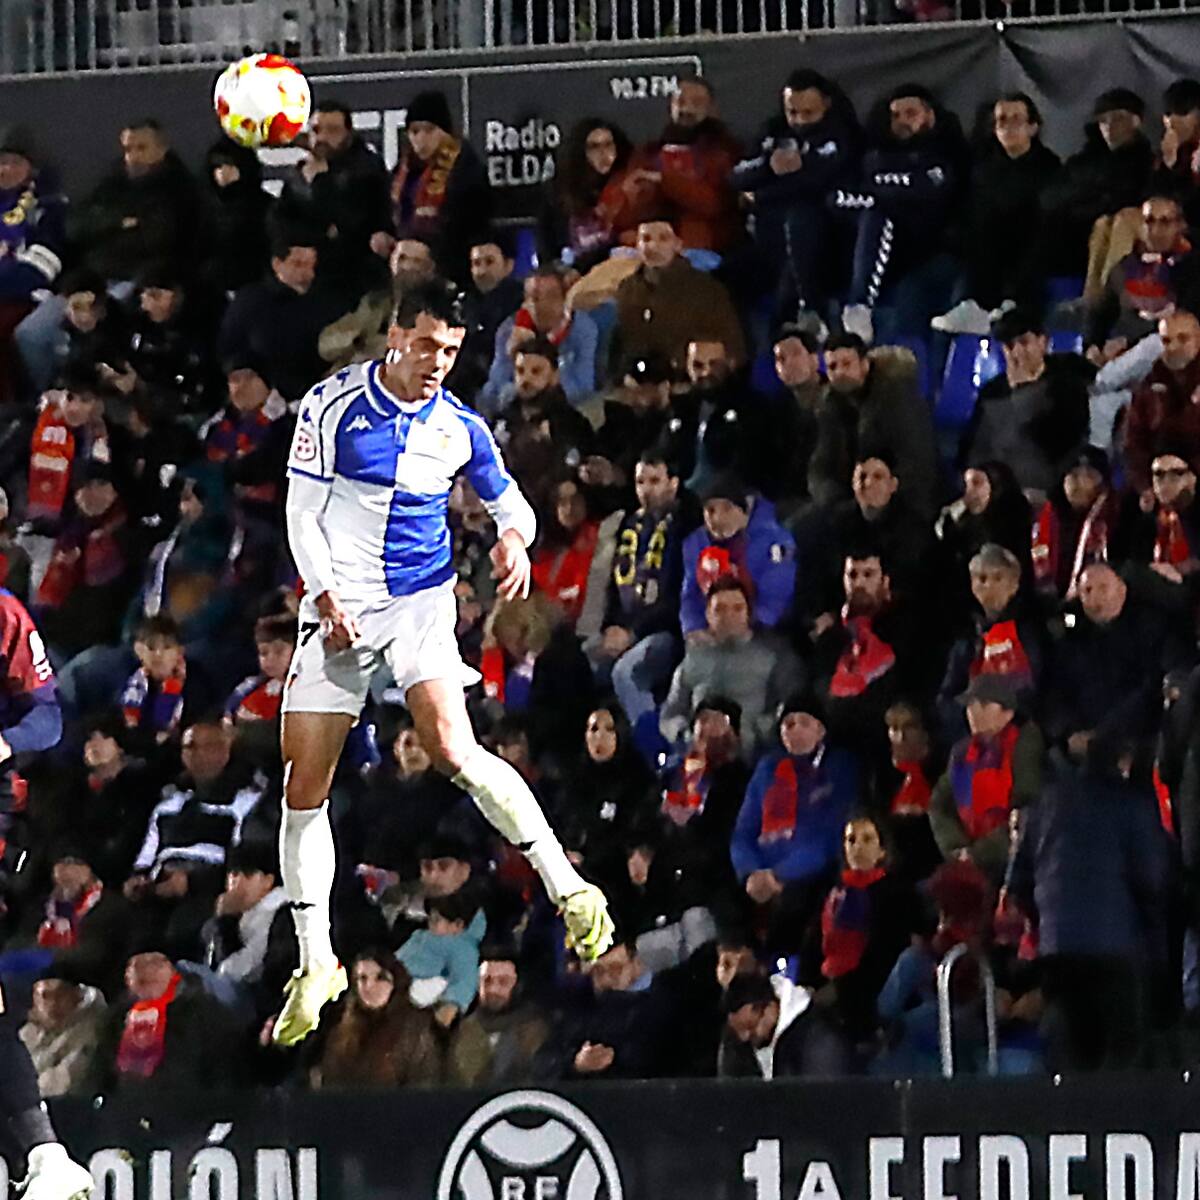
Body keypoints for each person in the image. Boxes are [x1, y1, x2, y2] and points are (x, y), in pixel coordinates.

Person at [276, 282, 613, 1046]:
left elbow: (513, 504)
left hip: (419, 605)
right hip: (339, 604)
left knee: (454, 750)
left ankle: (570, 888)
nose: (437, 362)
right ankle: (318, 960)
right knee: (305, 787)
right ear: (395, 334)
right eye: (427, 344)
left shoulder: (459, 426)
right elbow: (301, 511)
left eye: (452, 350)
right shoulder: (330, 407)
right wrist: (325, 594)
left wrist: (514, 539)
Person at [1007, 750, 1172, 1072]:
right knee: (1123, 1055)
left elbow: (1019, 882)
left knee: (1071, 1055)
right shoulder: (1128, 803)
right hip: (1116, 948)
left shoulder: (1041, 805)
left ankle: (1072, 1120)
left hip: (1058, 951)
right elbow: (1153, 880)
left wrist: (1046, 924)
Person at [837, 85, 969, 346]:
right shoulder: (872, 155)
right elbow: (836, 198)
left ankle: (862, 304)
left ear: (929, 116)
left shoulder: (950, 153)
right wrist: (888, 194)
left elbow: (928, 189)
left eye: (910, 113)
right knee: (874, 214)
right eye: (895, 115)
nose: (901, 122)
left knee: (910, 295)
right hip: (884, 252)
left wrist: (879, 192)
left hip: (935, 250)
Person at [730, 696, 860, 956]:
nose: (795, 730)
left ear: (820, 729)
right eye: (788, 724)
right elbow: (743, 832)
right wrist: (751, 872)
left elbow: (829, 838)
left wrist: (779, 875)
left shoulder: (838, 767)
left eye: (803, 723)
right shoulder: (768, 768)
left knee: (797, 906)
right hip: (761, 874)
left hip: (807, 875)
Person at [733, 70, 860, 323]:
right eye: (792, 112)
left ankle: (810, 314)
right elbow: (736, 176)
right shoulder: (773, 130)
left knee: (801, 219)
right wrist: (767, 166)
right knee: (725, 277)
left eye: (808, 113)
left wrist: (760, 194)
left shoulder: (842, 134)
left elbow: (815, 184)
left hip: (825, 244)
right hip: (768, 240)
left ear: (826, 104)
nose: (800, 121)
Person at [934, 93, 1061, 334]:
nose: (1008, 126)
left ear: (1033, 128)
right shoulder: (981, 167)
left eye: (1016, 119)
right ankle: (975, 305)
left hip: (1031, 246)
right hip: (989, 248)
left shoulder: (1049, 167)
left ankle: (1011, 302)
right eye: (1002, 120)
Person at [661, 577, 802, 758]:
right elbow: (671, 713)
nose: (729, 616)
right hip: (697, 756)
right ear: (707, 615)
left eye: (737, 609)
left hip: (751, 756)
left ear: (748, 614)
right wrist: (688, 735)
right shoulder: (693, 658)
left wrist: (751, 732)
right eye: (720, 609)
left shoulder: (773, 656)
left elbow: (789, 708)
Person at [964, 307, 1092, 500]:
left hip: (1046, 491)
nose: (1017, 352)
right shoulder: (992, 392)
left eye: (1024, 342)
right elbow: (974, 448)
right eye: (1009, 345)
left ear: (1043, 342)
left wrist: (1022, 392)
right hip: (998, 492)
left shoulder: (1067, 386)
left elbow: (1059, 446)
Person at [603, 77, 742, 254]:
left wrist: (664, 180)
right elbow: (624, 217)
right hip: (648, 249)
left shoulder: (724, 151)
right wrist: (634, 196)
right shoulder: (648, 152)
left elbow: (713, 204)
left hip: (700, 250)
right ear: (671, 105)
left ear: (712, 109)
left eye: (697, 102)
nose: (687, 109)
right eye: (680, 101)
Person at [929, 674, 1044, 883]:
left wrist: (978, 855)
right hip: (972, 867)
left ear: (1008, 713)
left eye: (982, 703)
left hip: (1015, 868)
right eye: (970, 704)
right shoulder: (963, 753)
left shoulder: (1024, 747)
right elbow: (941, 803)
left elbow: (1027, 809)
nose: (973, 711)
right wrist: (956, 848)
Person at [274, 100, 393, 298]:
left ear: (349, 133)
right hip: (308, 278)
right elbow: (280, 221)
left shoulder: (366, 168)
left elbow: (351, 226)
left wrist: (320, 182)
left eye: (332, 130)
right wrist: (321, 233)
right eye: (316, 130)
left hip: (355, 280)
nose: (322, 138)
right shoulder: (303, 171)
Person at [810, 334, 938, 517]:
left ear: (865, 364)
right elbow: (821, 464)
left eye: (847, 364)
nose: (839, 373)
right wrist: (832, 500)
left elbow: (917, 465)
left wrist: (877, 497)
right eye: (832, 367)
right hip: (850, 505)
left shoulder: (898, 399)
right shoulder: (828, 405)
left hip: (902, 508)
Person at [218, 232, 347, 403]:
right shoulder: (251, 301)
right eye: (298, 264)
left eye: (311, 264)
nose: (307, 272)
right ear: (277, 263)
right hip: (267, 401)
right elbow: (229, 349)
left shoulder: (329, 299)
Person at [614, 219, 746, 373]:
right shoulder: (627, 289)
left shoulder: (706, 289)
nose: (653, 246)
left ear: (678, 244)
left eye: (663, 238)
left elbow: (732, 346)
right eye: (646, 239)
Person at [390, 90, 492, 286]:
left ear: (444, 131)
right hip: (406, 261)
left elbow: (468, 225)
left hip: (450, 267)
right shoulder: (403, 171)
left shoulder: (465, 168)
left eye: (429, 130)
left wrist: (429, 250)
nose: (421, 139)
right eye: (414, 131)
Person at [679, 474, 796, 639]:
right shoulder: (696, 543)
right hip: (711, 634)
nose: (715, 518)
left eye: (725, 508)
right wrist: (693, 628)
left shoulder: (774, 541)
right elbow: (690, 593)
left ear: (741, 509)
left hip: (763, 635)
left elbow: (777, 594)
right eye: (708, 510)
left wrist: (753, 627)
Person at [302, 951, 441, 1089]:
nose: (369, 987)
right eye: (362, 978)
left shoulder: (416, 1026)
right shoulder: (339, 1024)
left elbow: (424, 1085)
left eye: (380, 978)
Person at [0, 126, 66, 406]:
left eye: (14, 162)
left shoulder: (48, 208)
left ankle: (13, 409)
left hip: (25, 298)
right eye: (0, 162)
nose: (5, 169)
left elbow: (40, 270)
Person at [480, 267, 598, 413]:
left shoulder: (583, 329)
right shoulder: (508, 329)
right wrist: (513, 357)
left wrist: (549, 380)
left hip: (565, 410)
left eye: (547, 297)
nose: (535, 305)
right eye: (530, 297)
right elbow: (495, 387)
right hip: (518, 411)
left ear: (562, 299)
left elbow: (584, 387)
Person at [1086, 194, 1193, 350]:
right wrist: (1093, 347)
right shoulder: (1122, 268)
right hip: (1128, 354)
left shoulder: (1192, 268)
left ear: (1179, 226)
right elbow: (1100, 314)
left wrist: (1129, 346)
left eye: (1165, 222)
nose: (1156, 230)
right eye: (1149, 221)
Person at [538, 118, 632, 270]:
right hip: (572, 275)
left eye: (608, 145)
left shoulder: (628, 186)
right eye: (594, 147)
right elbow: (546, 244)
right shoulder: (558, 190)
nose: (603, 153)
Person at [1124, 310, 1200, 496]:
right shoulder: (1147, 383)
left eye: (1183, 339)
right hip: (1158, 485)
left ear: (1198, 340)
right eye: (1166, 340)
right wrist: (1145, 487)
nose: (1173, 347)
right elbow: (1133, 442)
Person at [455, 946, 549, 1086]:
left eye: (503, 981)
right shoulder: (461, 1030)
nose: (493, 989)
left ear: (517, 985)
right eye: (487, 980)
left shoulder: (535, 1030)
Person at [446, 236, 523, 401]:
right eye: (476, 263)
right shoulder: (463, 303)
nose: (482, 271)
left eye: (489, 262)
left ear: (508, 266)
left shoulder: (520, 301)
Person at [19, 978, 107, 1099]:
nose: (52, 1003)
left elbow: (62, 1079)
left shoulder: (91, 1026)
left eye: (60, 996)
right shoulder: (31, 1028)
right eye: (43, 996)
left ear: (75, 995)